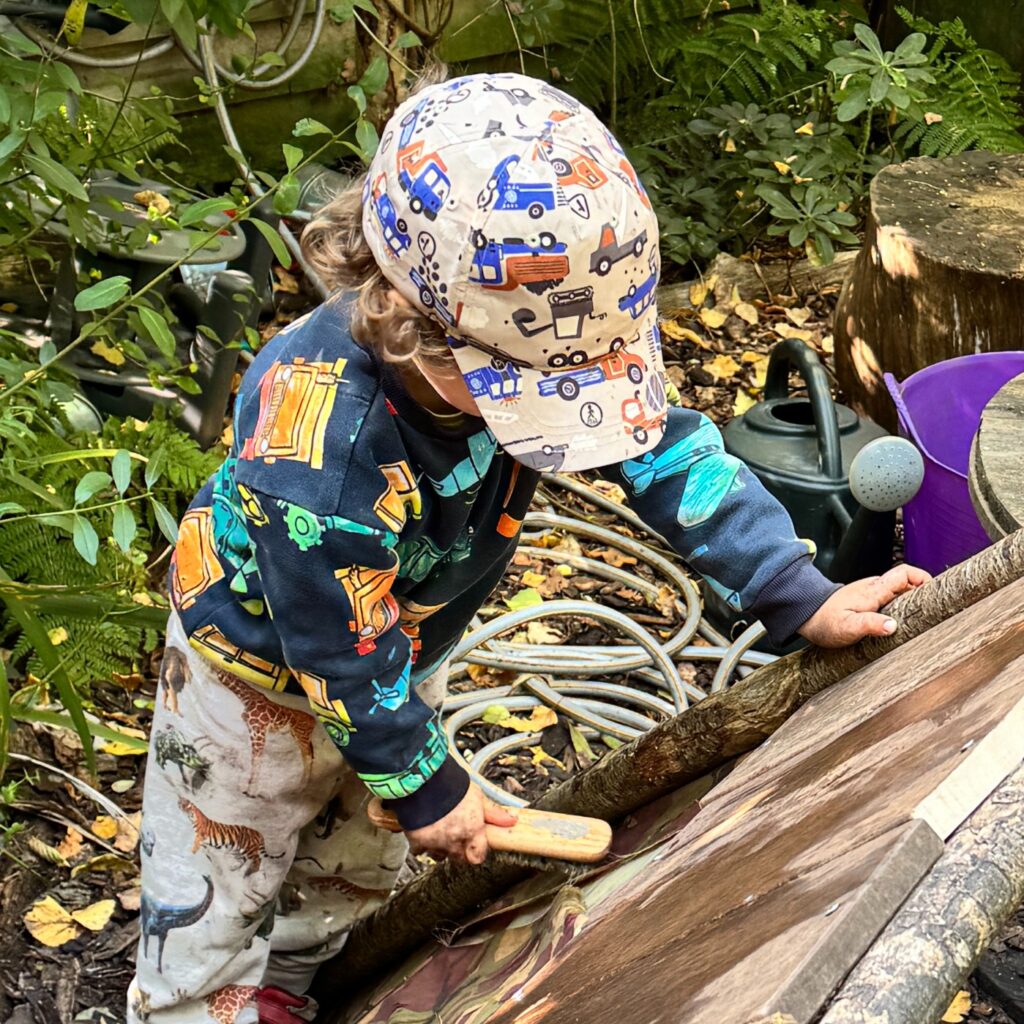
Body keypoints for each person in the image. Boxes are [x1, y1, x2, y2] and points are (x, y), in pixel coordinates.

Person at [128, 71, 928, 1024]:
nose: (566, 412)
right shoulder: (321, 444)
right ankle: (198, 1005)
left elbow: (665, 449)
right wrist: (425, 782)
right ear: (408, 327)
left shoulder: (550, 336)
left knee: (351, 867)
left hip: (400, 652)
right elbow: (337, 646)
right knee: (216, 885)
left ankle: (291, 989)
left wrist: (799, 593)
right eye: (539, 394)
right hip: (252, 675)